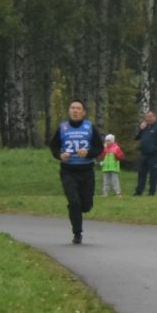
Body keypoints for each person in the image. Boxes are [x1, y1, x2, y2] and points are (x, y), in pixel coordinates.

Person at [46, 100, 102, 244]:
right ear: (69, 111)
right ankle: (77, 232)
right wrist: (60, 155)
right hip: (68, 171)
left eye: (78, 108)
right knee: (74, 201)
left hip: (87, 171)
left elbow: (99, 148)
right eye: (72, 108)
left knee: (86, 205)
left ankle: (77, 210)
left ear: (83, 112)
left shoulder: (89, 127)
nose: (75, 111)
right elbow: (54, 147)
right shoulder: (63, 128)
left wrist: (88, 153)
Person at [134, 109, 157, 195]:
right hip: (143, 154)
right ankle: (139, 191)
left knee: (153, 174)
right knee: (141, 173)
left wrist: (155, 148)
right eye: (147, 117)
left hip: (154, 155)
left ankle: (152, 192)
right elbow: (137, 138)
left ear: (154, 117)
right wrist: (141, 129)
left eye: (150, 117)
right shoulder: (145, 127)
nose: (148, 119)